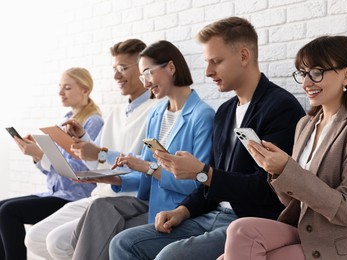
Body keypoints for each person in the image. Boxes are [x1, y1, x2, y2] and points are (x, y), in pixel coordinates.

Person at [109, 17, 306, 260]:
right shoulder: (224, 113)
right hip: (212, 215)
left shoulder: (280, 108)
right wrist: (183, 210)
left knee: (170, 257)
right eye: (207, 62)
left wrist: (202, 172)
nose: (208, 71)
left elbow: (267, 188)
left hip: (250, 223)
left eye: (216, 61)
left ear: (244, 56)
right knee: (124, 243)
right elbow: (210, 179)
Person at [219, 35, 347, 260]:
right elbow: (296, 202)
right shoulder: (305, 125)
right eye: (303, 73)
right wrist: (279, 172)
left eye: (316, 72)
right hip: (310, 228)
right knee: (240, 230)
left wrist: (289, 169)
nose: (306, 83)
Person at [69, 40, 215, 260]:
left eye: (148, 74)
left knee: (101, 231)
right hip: (151, 203)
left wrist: (148, 168)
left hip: (179, 210)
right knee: (99, 208)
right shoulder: (156, 115)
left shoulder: (202, 116)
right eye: (142, 77)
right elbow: (145, 173)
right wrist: (118, 180)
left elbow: (199, 184)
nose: (146, 84)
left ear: (171, 67)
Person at [24, 39, 160, 260]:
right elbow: (97, 163)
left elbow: (147, 164)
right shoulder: (117, 112)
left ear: (144, 68)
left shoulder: (156, 110)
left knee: (57, 242)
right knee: (34, 237)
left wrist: (99, 154)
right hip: (98, 195)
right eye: (114, 69)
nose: (116, 76)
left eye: (123, 68)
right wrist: (83, 140)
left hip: (127, 198)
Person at [0, 67, 104, 260]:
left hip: (74, 196)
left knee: (7, 212)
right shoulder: (65, 121)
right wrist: (37, 155)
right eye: (59, 87)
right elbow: (53, 173)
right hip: (55, 192)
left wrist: (43, 155)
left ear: (85, 90)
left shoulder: (93, 123)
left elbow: (85, 169)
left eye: (67, 87)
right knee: (1, 207)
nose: (60, 92)